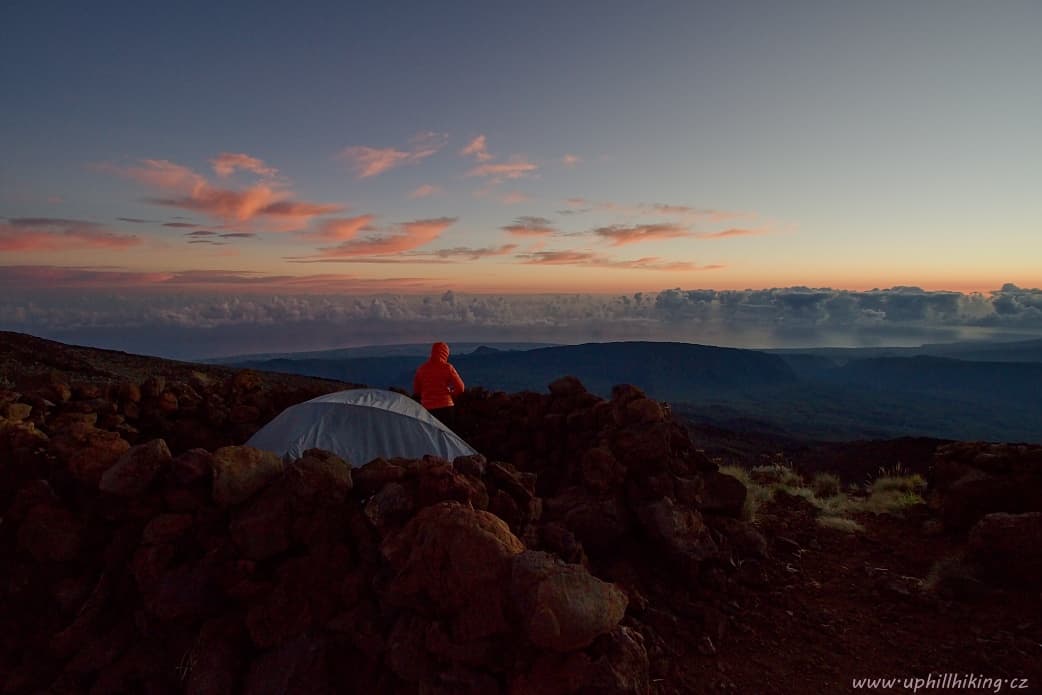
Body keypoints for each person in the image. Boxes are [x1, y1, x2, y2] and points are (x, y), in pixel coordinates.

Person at [413, 341, 465, 427]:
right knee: (446, 435)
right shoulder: (448, 367)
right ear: (446, 353)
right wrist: (450, 392)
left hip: (427, 408)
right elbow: (461, 388)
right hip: (446, 407)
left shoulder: (422, 369)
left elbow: (417, 390)